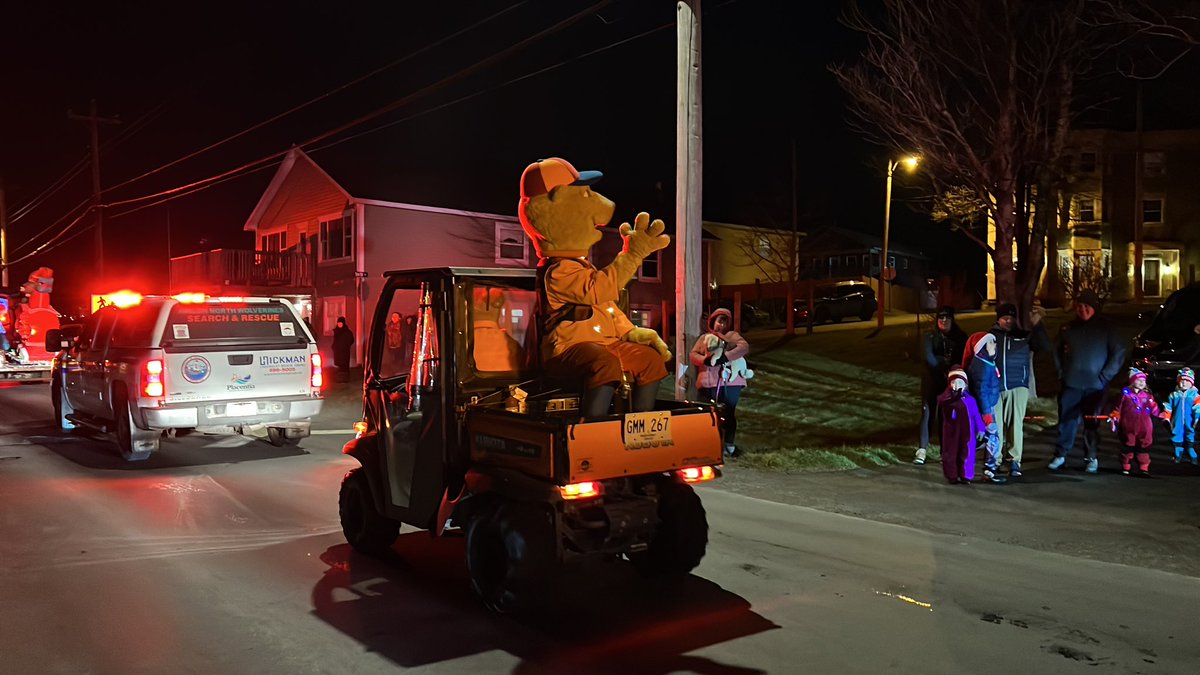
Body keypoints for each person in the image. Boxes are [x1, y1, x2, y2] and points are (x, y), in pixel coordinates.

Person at [1049, 289, 1126, 474]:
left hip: (1096, 386)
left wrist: (1105, 376)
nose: (1083, 310)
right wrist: (1062, 373)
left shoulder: (1106, 328)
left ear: (1094, 307)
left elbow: (1119, 352)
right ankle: (1061, 454)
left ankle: (1091, 457)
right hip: (1072, 383)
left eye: (1087, 306)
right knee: (1067, 421)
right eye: (1080, 306)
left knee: (1091, 423)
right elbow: (1056, 351)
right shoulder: (1068, 328)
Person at [989, 302, 1052, 478]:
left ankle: (1014, 460)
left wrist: (1037, 325)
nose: (1008, 321)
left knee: (1015, 425)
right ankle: (995, 460)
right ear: (998, 319)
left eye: (1011, 318)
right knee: (996, 427)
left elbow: (1045, 347)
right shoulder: (990, 336)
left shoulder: (1023, 336)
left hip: (1018, 387)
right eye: (1004, 318)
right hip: (996, 388)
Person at [690, 308, 750, 457]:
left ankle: (729, 445)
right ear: (712, 322)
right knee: (706, 414)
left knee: (728, 413)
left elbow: (744, 347)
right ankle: (709, 443)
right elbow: (693, 355)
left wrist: (726, 357)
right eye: (719, 322)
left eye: (724, 322)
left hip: (730, 382)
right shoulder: (704, 338)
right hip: (707, 382)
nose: (721, 326)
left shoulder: (732, 336)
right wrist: (705, 360)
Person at [914, 306, 967, 465]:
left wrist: (953, 371)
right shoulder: (930, 336)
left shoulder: (960, 337)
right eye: (940, 319)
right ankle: (922, 448)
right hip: (932, 379)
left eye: (947, 318)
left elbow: (962, 357)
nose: (943, 321)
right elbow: (928, 356)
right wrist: (942, 366)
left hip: (950, 380)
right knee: (927, 410)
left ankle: (946, 450)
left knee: (946, 414)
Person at [1108, 368, 1166, 476]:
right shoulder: (1125, 395)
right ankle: (1126, 465)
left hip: (1145, 427)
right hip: (1128, 426)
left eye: (1143, 381)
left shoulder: (1148, 396)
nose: (1141, 383)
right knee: (1127, 446)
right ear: (1132, 381)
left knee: (1143, 447)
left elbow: (1154, 409)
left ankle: (1143, 467)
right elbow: (1117, 409)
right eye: (1139, 380)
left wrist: (1163, 415)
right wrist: (1114, 417)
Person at [963, 332, 1004, 483]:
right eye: (990, 343)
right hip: (985, 410)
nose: (994, 345)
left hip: (985, 408)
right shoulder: (982, 366)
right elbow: (981, 391)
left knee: (981, 439)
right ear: (982, 347)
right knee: (992, 438)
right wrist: (987, 415)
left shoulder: (986, 362)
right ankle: (989, 469)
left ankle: (968, 468)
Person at [937, 368, 984, 485]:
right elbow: (941, 401)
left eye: (960, 382)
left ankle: (966, 475)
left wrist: (981, 428)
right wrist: (953, 394)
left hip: (968, 432)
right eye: (954, 382)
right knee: (951, 452)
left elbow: (976, 414)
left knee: (967, 452)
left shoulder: (970, 400)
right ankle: (951, 475)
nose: (957, 385)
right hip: (951, 432)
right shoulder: (947, 399)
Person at [1165, 367, 1200, 465]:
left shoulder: (1195, 395)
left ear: (1191, 382)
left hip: (1190, 421)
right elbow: (1168, 407)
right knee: (1177, 436)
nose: (1184, 383)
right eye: (1182, 380)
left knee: (1190, 435)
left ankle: (1192, 452)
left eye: (1187, 381)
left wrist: (1197, 417)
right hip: (1177, 421)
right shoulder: (1174, 395)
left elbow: (1198, 407)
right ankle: (1178, 453)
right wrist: (1166, 418)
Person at [331, 316, 355, 382]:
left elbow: (351, 340)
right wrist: (334, 346)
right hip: (338, 351)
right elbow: (335, 340)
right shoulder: (336, 331)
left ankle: (345, 379)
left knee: (344, 364)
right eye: (338, 323)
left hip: (344, 351)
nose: (339, 325)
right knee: (339, 364)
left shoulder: (347, 332)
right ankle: (339, 379)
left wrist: (346, 345)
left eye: (341, 323)